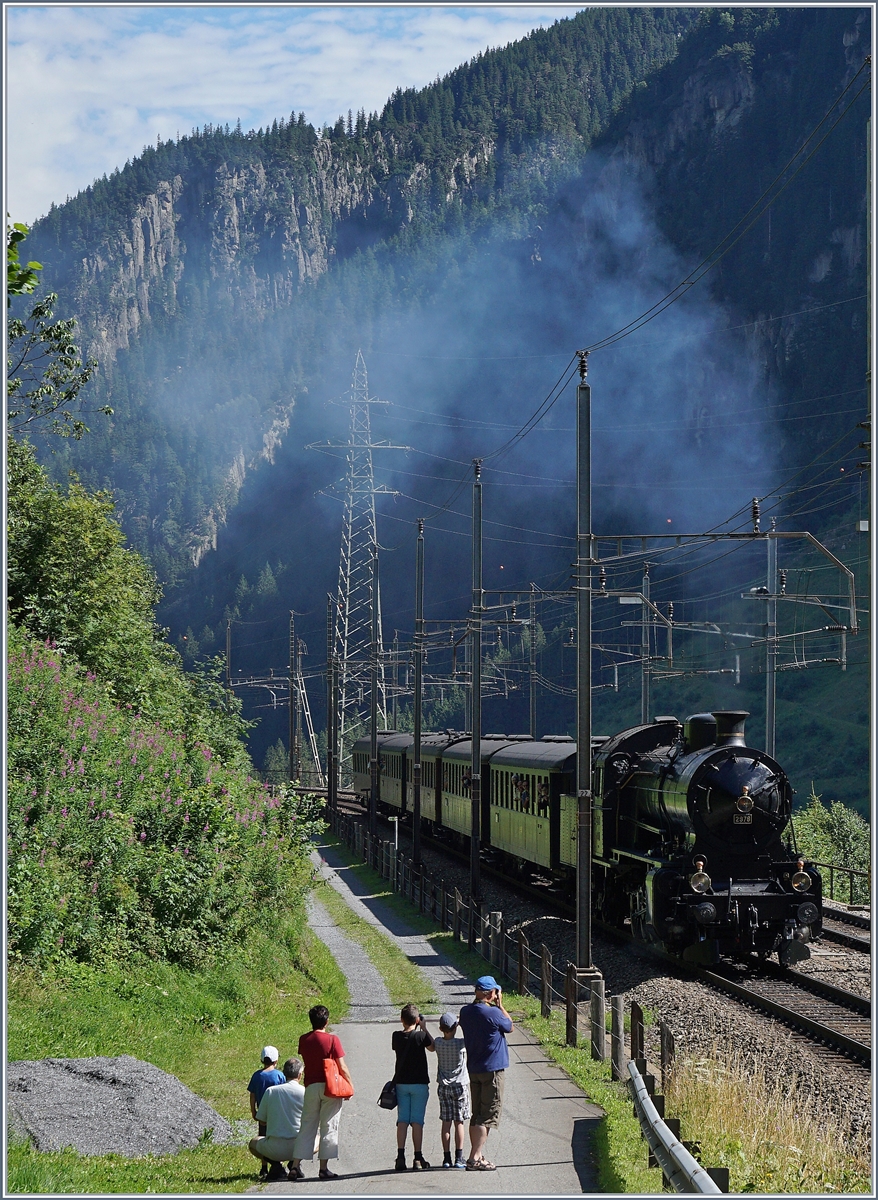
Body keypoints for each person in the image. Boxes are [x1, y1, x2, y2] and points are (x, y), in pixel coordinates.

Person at [457, 975, 513, 1171]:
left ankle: (477, 1154)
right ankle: (474, 1158)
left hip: (474, 1069)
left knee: (477, 1114)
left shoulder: (465, 1012)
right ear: (491, 993)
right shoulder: (494, 1014)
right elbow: (509, 1026)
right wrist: (500, 1005)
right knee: (488, 1115)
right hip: (493, 1070)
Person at [290, 1005, 353, 1181]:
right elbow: (341, 1066)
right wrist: (349, 1084)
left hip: (311, 1086)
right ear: (327, 1021)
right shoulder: (333, 1040)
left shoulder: (304, 1040)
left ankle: (295, 1166)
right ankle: (323, 1168)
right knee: (329, 1126)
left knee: (307, 1126)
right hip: (330, 1088)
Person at [391, 1003, 436, 1171]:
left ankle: (400, 1156)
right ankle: (418, 1157)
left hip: (402, 1083)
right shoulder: (420, 1037)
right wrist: (423, 1028)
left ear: (401, 1020)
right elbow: (432, 1047)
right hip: (419, 1083)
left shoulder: (396, 1036)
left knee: (402, 1120)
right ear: (417, 1020)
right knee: (417, 1121)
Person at [248, 1058, 306, 1182]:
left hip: (274, 1148)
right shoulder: (305, 1092)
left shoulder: (271, 1091)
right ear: (300, 1075)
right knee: (317, 1138)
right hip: (298, 1148)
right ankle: (294, 1164)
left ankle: (276, 1165)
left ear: (284, 1074)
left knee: (253, 1143)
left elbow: (262, 1120)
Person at [434, 1012, 470, 1169]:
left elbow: (430, 1041)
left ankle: (446, 1158)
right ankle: (459, 1157)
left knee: (446, 1123)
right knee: (459, 1122)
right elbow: (471, 1038)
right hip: (460, 1086)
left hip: (444, 1087)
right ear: (456, 1027)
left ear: (441, 1028)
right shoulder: (461, 1044)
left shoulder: (438, 1043)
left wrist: (423, 1027)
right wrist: (463, 1023)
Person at [247, 1046, 286, 1178]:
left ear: (262, 1060)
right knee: (276, 1138)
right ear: (276, 1061)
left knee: (263, 1138)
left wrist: (253, 1111)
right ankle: (278, 1163)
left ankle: (264, 1168)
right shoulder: (279, 1075)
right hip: (276, 1113)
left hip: (262, 1114)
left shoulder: (257, 1075)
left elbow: (252, 1095)